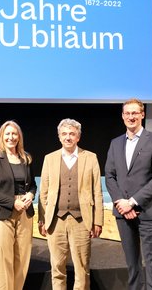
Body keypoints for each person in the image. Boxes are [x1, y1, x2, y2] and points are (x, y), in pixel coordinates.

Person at [105, 98, 152, 290]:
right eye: (127, 113)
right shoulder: (115, 143)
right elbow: (110, 176)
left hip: (148, 212)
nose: (131, 117)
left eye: (135, 113)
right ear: (123, 116)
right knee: (132, 267)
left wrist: (132, 202)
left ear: (142, 114)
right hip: (123, 214)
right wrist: (121, 203)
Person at [38, 118, 103, 290]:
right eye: (64, 134)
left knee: (82, 268)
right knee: (57, 267)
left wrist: (98, 220)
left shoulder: (90, 157)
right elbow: (43, 192)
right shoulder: (49, 158)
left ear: (78, 137)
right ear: (59, 137)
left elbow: (97, 191)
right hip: (55, 220)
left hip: (81, 220)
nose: (68, 137)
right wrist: (42, 219)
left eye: (72, 134)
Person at [0, 120, 37, 290]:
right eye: (7, 134)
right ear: (2, 136)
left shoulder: (26, 157)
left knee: (22, 260)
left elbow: (33, 184)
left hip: (25, 214)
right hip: (3, 214)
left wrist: (30, 195)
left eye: (14, 134)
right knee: (5, 262)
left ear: (19, 137)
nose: (11, 137)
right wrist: (13, 202)